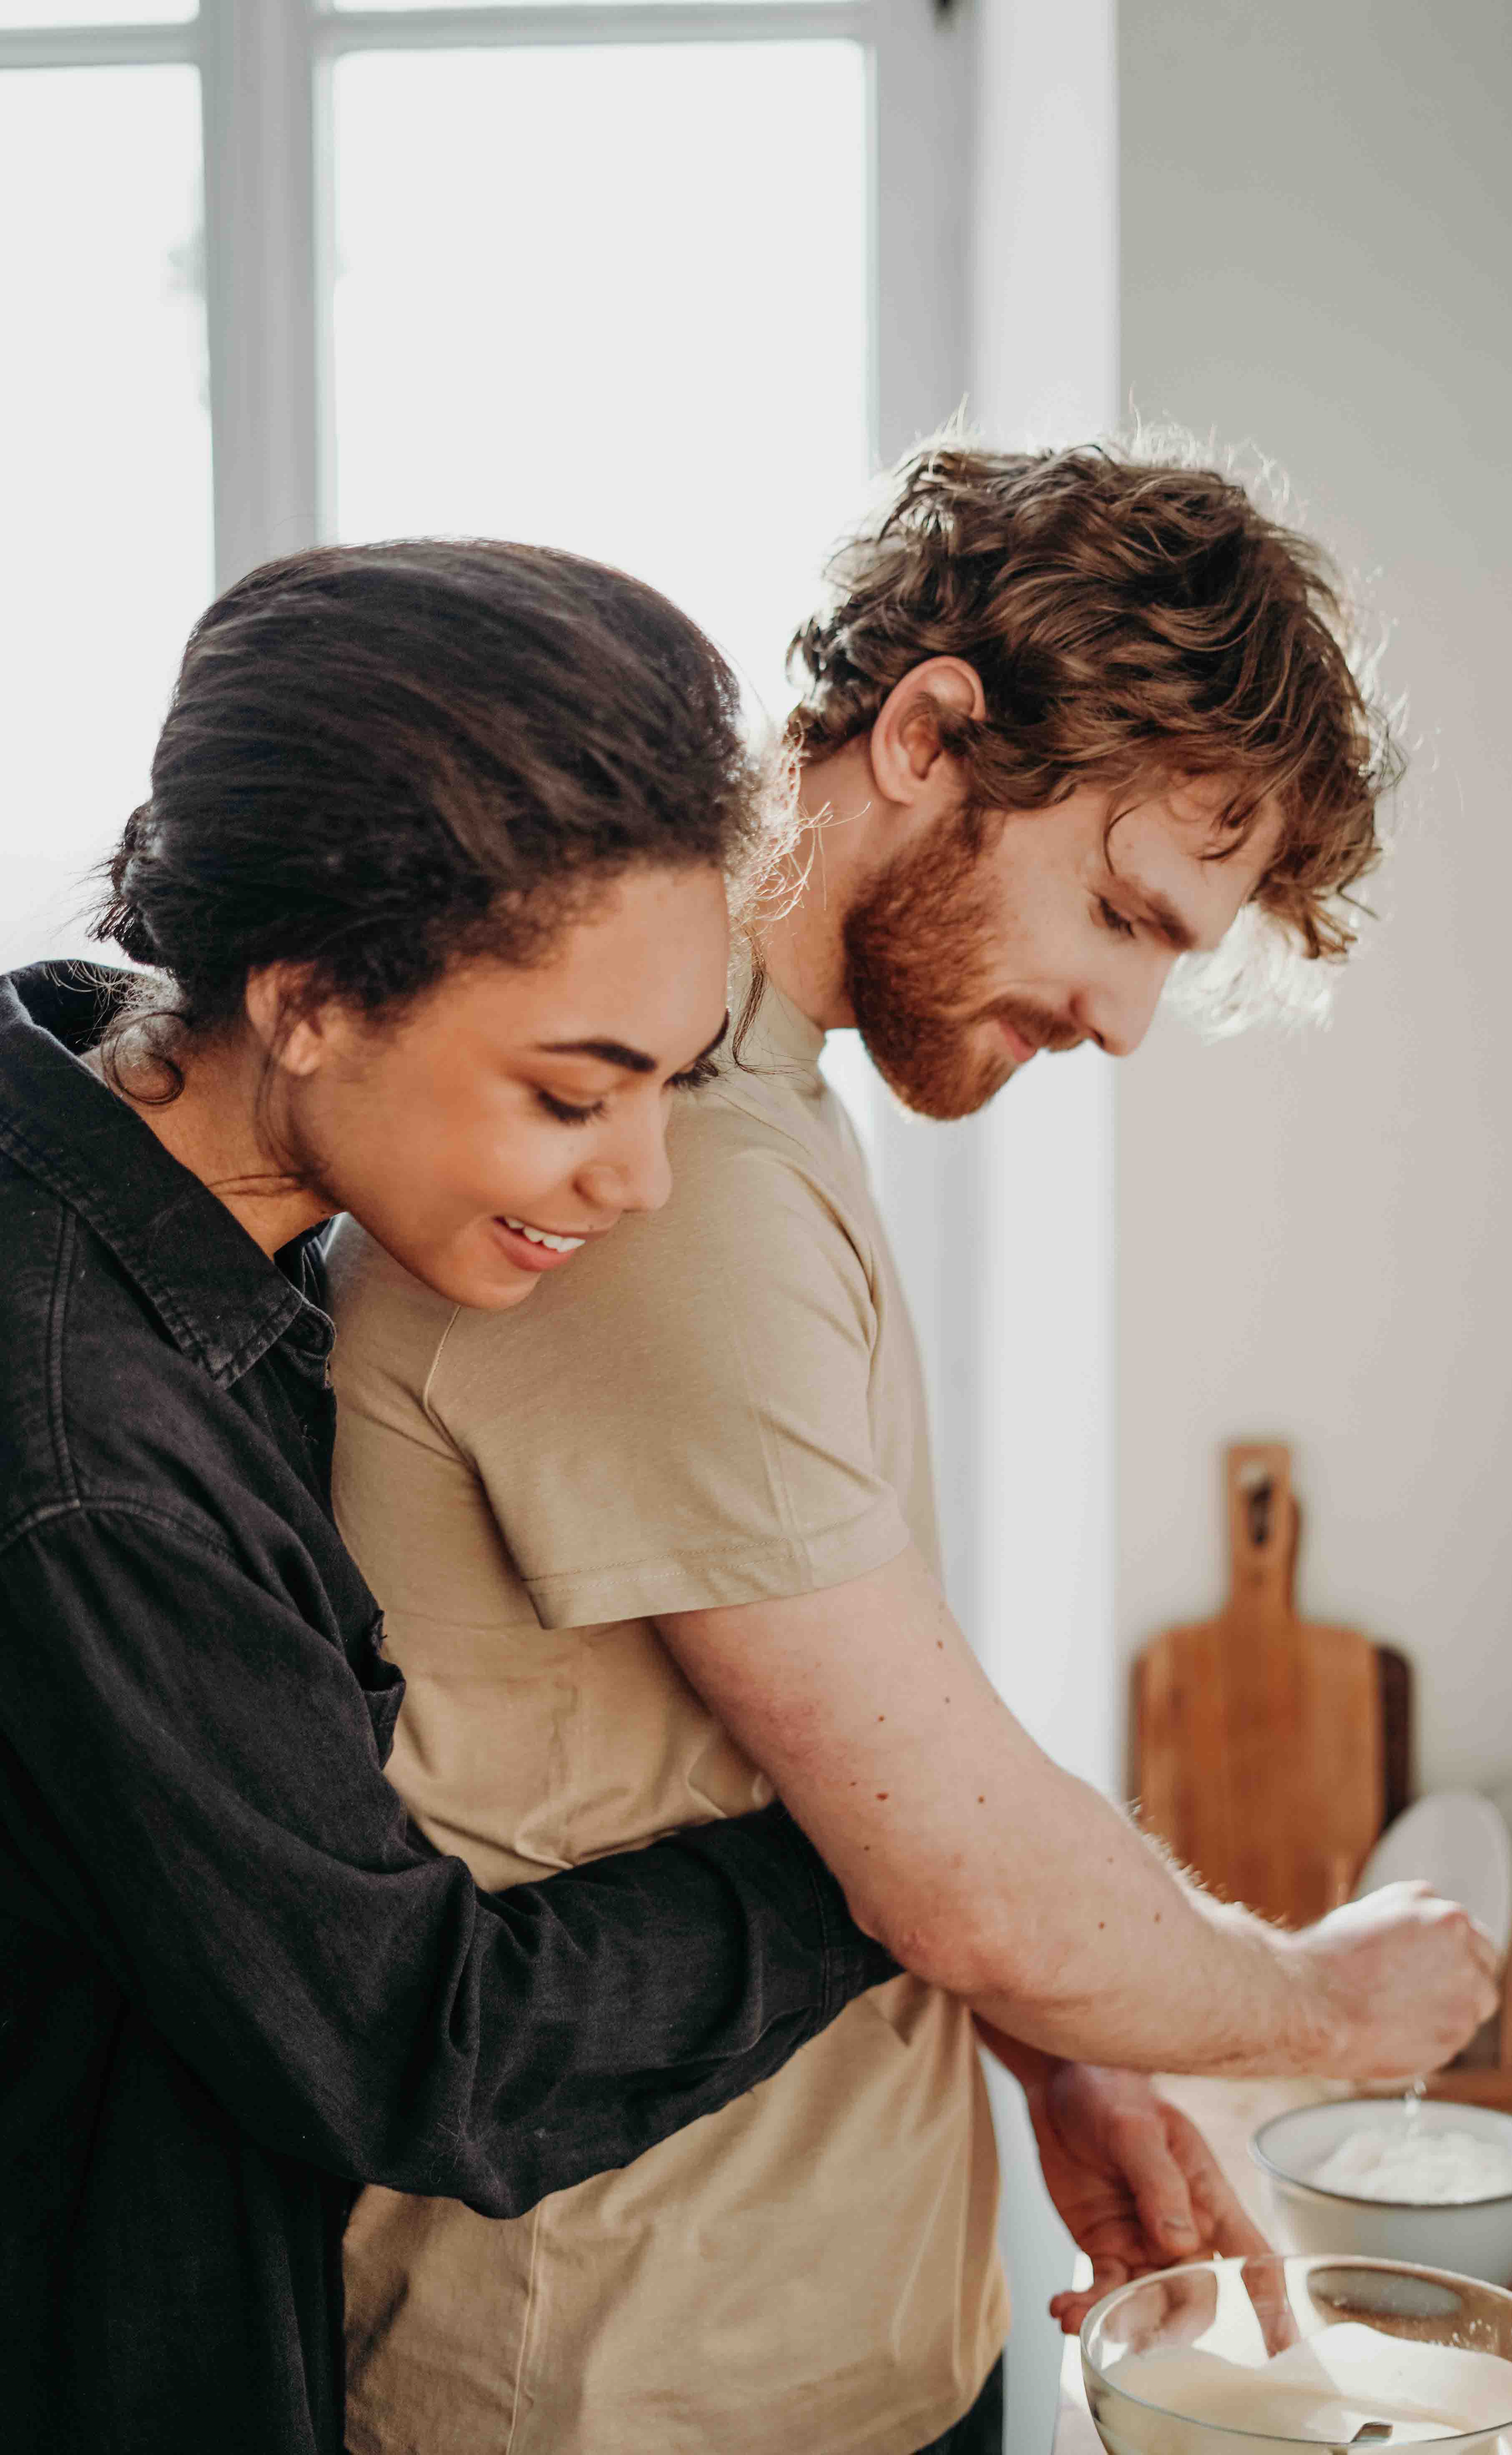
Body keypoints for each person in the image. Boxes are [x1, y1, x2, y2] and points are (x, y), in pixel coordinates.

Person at [331, 448, 1501, 2455]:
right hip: (639, 2390)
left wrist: (1065, 2047)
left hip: (807, 2341)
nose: (1128, 1020)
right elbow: (954, 1870)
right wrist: (1320, 2001)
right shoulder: (667, 1165)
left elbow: (833, 1747)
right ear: (933, 730)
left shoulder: (760, 1106)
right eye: (1126, 913)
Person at [0, 539, 912, 2455]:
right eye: (575, 1096)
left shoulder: (95, 1065)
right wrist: (887, 1853)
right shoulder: (88, 1453)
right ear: (313, 996)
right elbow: (420, 2044)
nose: (647, 1179)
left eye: (672, 1085)